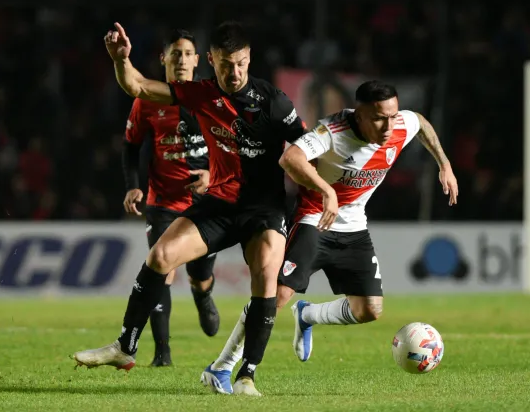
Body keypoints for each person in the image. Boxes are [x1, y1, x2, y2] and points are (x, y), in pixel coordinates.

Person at [73, 21, 307, 396]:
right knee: (161, 254)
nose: (235, 73)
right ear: (212, 61)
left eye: (242, 63)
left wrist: (322, 188)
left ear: (250, 60)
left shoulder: (273, 101)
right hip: (219, 203)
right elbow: (137, 86)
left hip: (263, 209)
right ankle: (124, 346)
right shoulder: (200, 93)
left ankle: (246, 374)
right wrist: (121, 60)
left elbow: (304, 147)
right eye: (227, 64)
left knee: (265, 274)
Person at [203, 80, 458, 375]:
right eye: (379, 118)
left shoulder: (400, 124)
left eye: (392, 115)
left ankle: (308, 314)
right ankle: (222, 366)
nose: (389, 126)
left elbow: (422, 123)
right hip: (315, 219)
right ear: (359, 115)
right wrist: (326, 190)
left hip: (354, 226)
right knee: (276, 296)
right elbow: (290, 158)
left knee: (369, 310)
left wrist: (445, 164)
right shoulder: (332, 132)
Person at [122, 29, 220, 367]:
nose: (181, 59)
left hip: (206, 202)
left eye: (187, 53)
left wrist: (212, 176)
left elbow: (230, 148)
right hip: (162, 201)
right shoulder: (147, 100)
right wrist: (133, 185)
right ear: (164, 58)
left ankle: (203, 291)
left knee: (199, 272)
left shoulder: (210, 98)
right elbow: (130, 146)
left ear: (197, 60)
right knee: (161, 268)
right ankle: (162, 353)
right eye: (175, 53)